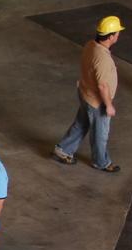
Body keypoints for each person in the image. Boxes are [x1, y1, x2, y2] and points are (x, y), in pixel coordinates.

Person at [52, 15, 124, 172]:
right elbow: (103, 86)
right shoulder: (102, 59)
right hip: (97, 102)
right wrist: (109, 105)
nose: (118, 35)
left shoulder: (91, 45)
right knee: (100, 133)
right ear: (111, 36)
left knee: (82, 123)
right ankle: (101, 162)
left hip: (85, 93)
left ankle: (63, 149)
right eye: (117, 33)